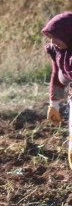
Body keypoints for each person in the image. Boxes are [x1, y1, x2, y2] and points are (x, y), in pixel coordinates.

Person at [41, 12, 72, 169]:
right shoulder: (59, 51)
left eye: (56, 37)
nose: (53, 41)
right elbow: (57, 75)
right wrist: (54, 104)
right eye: (50, 37)